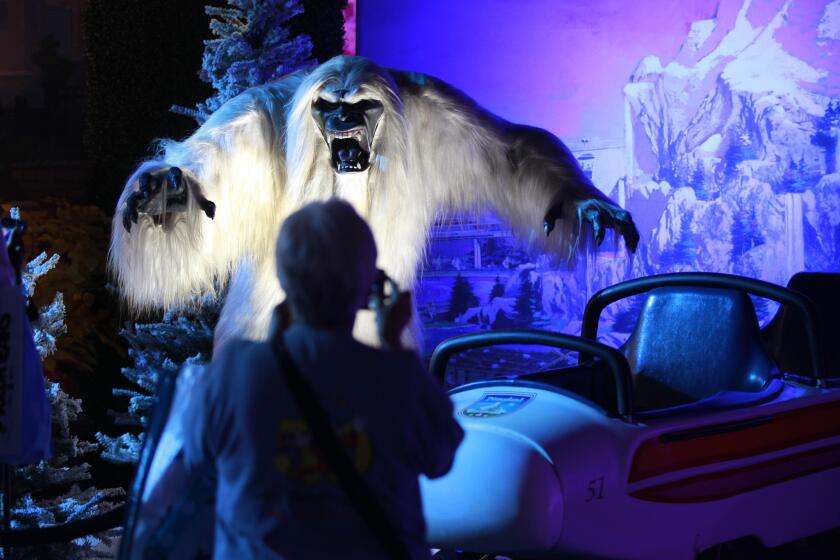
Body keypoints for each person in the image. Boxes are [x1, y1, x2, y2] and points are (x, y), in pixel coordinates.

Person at [181, 199, 464, 559]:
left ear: (283, 278)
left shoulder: (233, 372)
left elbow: (197, 458)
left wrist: (274, 345)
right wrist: (395, 345)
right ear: (368, 287)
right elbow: (441, 458)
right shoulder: (399, 379)